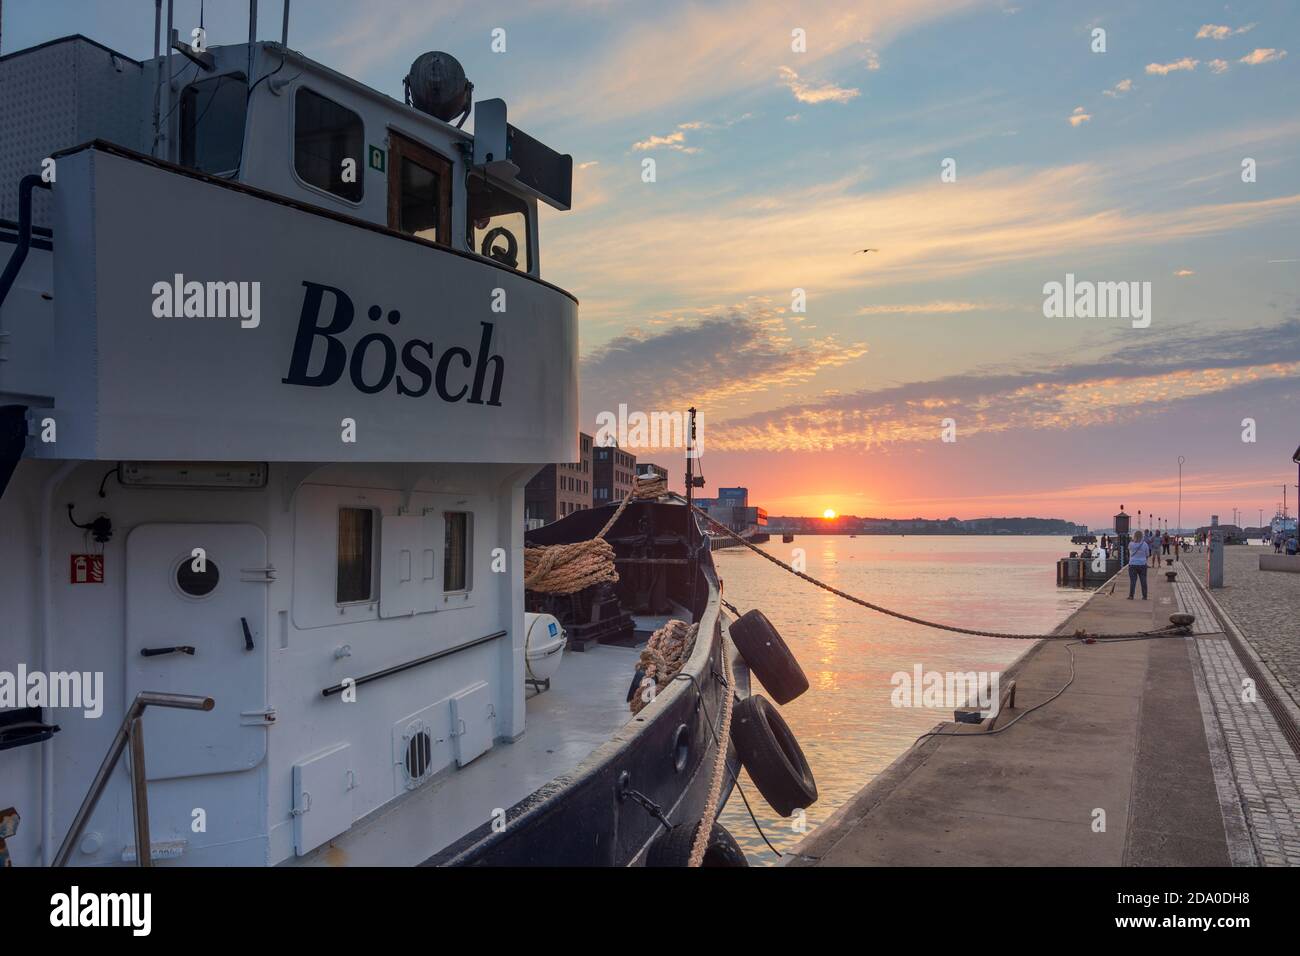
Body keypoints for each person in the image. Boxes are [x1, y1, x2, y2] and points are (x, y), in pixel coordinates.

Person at [1128, 530, 1150, 600]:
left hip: (1132, 564)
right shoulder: (1145, 544)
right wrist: (1143, 559)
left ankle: (1131, 596)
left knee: (1133, 581)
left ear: (1134, 536)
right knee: (1143, 581)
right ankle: (1144, 596)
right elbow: (1147, 555)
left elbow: (1130, 553)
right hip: (1142, 564)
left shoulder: (1131, 544)